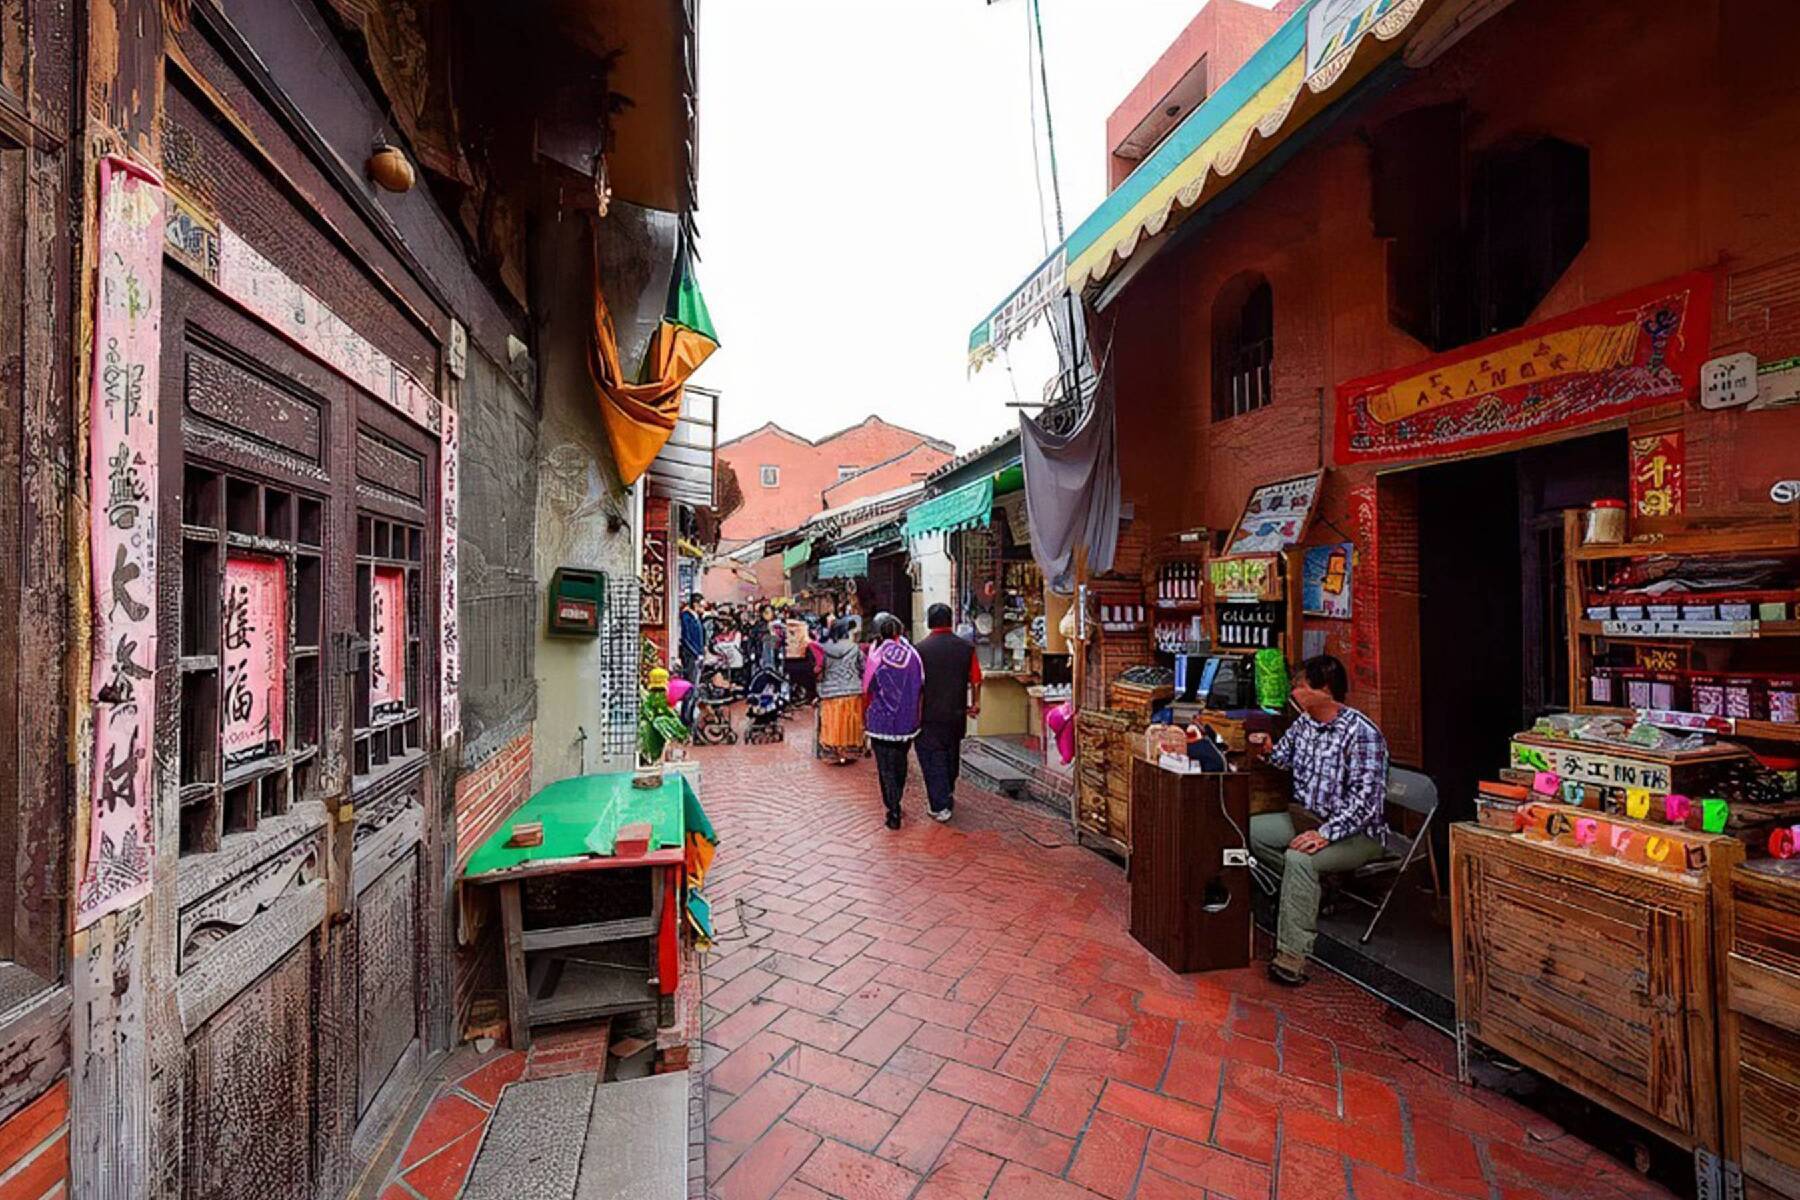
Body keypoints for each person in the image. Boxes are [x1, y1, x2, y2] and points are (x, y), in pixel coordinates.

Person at [1247, 654, 1390, 987]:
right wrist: (1267, 749)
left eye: (1301, 686)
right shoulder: (1304, 723)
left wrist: (1326, 833)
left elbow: (1366, 802)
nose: (1294, 692)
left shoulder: (1362, 733)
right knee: (1251, 833)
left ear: (1324, 690)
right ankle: (1309, 894)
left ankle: (1291, 958)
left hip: (1356, 833)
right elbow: (1282, 759)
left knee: (1300, 860)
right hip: (1307, 818)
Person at [914, 603, 981, 822]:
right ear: (950, 621)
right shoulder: (966, 648)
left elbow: (916, 684)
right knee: (952, 752)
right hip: (956, 711)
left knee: (934, 757)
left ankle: (940, 804)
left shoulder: (920, 649)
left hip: (929, 714)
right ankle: (948, 790)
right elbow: (977, 679)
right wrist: (975, 703)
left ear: (930, 622)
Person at [862, 613, 922, 830]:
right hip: (906, 722)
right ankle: (897, 798)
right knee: (900, 763)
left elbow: (867, 690)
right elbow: (920, 686)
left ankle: (892, 807)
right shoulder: (913, 656)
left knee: (884, 767)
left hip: (880, 723)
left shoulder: (875, 656)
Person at [816, 618, 867, 764]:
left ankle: (833, 751)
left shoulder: (825, 649)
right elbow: (863, 667)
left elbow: (821, 670)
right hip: (852, 690)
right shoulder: (855, 648)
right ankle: (849, 749)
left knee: (833, 721)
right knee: (850, 722)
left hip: (831, 692)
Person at [678, 593, 706, 725]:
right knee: (690, 687)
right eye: (701, 605)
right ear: (695, 604)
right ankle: (685, 717)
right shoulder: (687, 617)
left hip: (698, 656)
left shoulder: (697, 618)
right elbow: (686, 639)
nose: (703, 608)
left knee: (695, 688)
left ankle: (689, 716)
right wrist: (695, 654)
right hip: (691, 657)